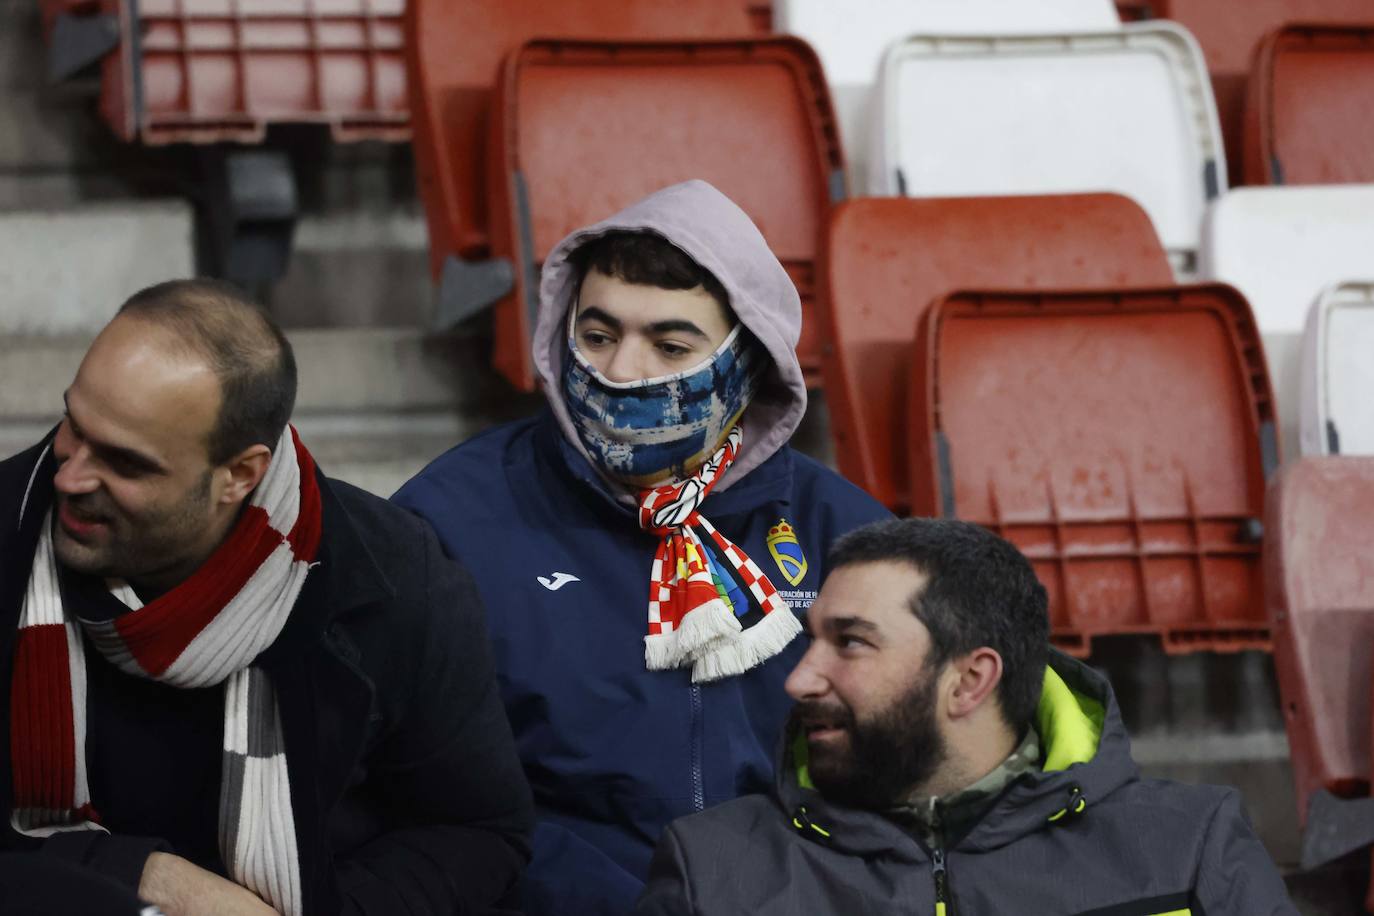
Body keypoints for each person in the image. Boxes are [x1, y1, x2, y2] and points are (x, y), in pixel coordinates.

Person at [392, 179, 891, 915]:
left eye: (669, 344)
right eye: (597, 336)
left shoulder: (842, 533)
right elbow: (422, 796)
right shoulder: (452, 521)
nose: (622, 372)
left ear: (749, 359)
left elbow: (911, 773)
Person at [0, 280, 533, 915]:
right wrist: (147, 878)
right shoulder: (13, 525)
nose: (69, 475)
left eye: (126, 463)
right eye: (72, 423)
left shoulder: (394, 578)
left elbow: (476, 831)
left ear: (240, 475)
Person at [636, 517, 1298, 916]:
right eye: (812, 640)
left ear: (970, 680)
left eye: (852, 643)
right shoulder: (714, 872)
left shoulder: (1188, 847)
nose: (801, 677)